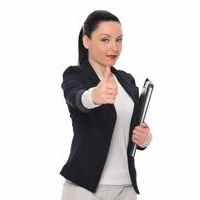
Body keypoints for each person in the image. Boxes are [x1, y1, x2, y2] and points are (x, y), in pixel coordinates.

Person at [60, 10, 152, 200]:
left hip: (126, 187)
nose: (114, 47)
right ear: (87, 41)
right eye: (105, 40)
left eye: (119, 40)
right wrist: (94, 95)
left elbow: (131, 129)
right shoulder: (75, 75)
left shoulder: (126, 80)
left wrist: (145, 138)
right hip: (85, 188)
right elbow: (76, 98)